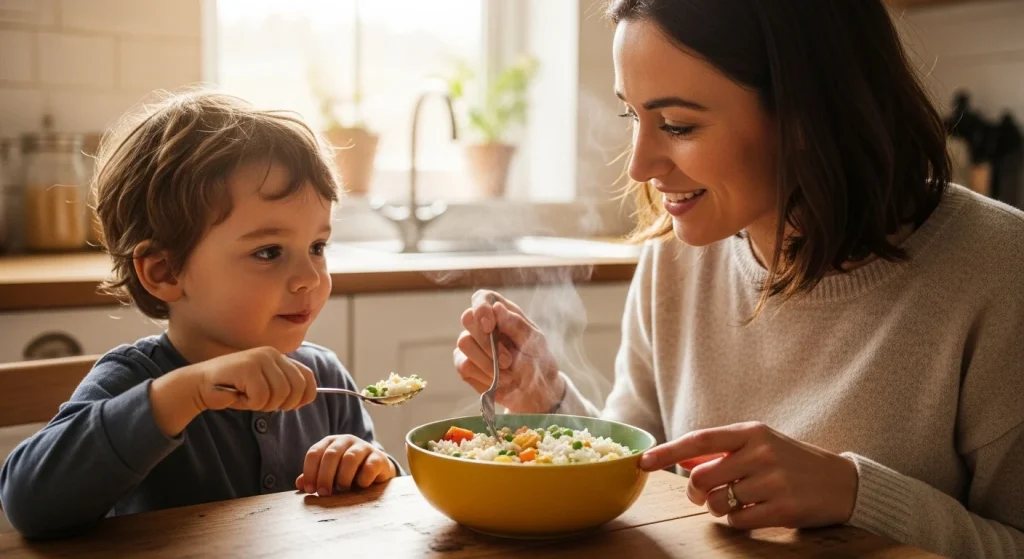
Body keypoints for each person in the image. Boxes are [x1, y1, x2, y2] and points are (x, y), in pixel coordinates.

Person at [452, 2, 1023, 557]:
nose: (639, 166)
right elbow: (637, 475)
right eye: (633, 115)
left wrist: (853, 493)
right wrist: (547, 403)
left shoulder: (1001, 270)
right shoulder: (675, 257)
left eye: (677, 125)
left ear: (808, 113)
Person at [0, 92, 398, 539]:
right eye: (269, 252)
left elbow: (376, 496)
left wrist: (369, 465)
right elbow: (27, 502)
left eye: (317, 247)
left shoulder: (324, 377)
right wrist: (187, 393)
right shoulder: (134, 381)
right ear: (165, 271)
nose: (309, 276)